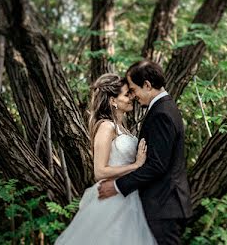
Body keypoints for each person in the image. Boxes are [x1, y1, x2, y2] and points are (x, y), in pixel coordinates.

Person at [97, 60, 192, 245]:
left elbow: (157, 165)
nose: (133, 95)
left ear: (147, 85)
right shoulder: (163, 108)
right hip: (161, 206)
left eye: (133, 89)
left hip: (163, 206)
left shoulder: (162, 113)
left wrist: (117, 187)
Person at [55, 73, 156, 244]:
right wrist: (136, 165)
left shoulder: (123, 128)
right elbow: (100, 171)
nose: (131, 98)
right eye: (126, 94)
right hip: (111, 200)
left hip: (128, 197)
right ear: (112, 101)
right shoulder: (106, 127)